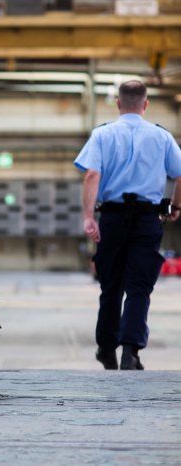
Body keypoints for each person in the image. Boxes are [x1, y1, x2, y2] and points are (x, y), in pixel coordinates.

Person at [74, 80, 181, 370]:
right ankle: (130, 352)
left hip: (112, 218)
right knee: (139, 287)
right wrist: (176, 206)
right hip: (147, 219)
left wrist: (88, 216)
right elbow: (180, 173)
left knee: (111, 286)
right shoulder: (162, 136)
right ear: (145, 104)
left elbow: (91, 176)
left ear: (119, 104)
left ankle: (106, 349)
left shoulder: (102, 134)